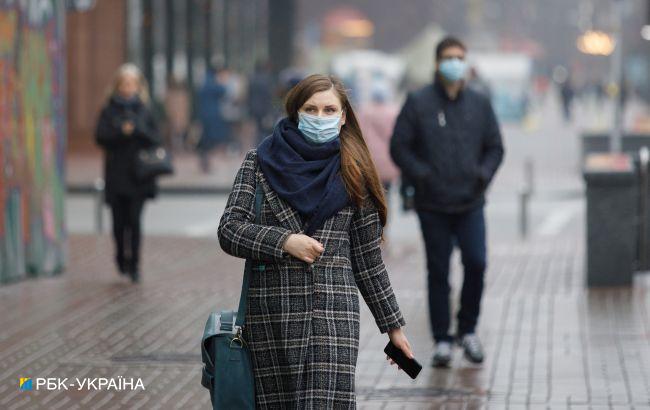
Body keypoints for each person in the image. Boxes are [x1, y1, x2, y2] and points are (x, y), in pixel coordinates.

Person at [218, 74, 413, 408]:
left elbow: (368, 261)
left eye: (328, 110)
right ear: (296, 112)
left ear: (343, 116)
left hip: (333, 317)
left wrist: (393, 328)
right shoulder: (259, 162)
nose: (320, 117)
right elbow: (230, 229)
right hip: (271, 316)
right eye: (311, 109)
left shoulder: (355, 171)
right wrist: (284, 241)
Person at [390, 37, 504, 367]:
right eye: (448, 57)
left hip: (470, 202)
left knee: (477, 262)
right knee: (438, 271)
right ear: (437, 63)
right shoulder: (418, 102)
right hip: (433, 204)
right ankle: (442, 338)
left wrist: (482, 174)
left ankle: (467, 330)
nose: (455, 63)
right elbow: (400, 146)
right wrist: (422, 174)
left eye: (460, 57)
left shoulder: (479, 104)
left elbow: (495, 147)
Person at [95, 63, 161, 283]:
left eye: (131, 83)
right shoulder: (109, 109)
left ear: (138, 86)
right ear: (117, 86)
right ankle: (120, 257)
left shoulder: (145, 109)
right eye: (124, 83)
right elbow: (100, 137)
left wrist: (137, 130)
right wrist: (120, 132)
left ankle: (135, 265)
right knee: (118, 223)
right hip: (116, 175)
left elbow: (156, 138)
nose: (127, 87)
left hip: (139, 176)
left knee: (134, 221)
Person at [197, 67, 230, 173]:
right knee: (211, 139)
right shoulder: (212, 82)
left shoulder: (203, 84)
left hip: (204, 115)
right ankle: (206, 162)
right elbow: (224, 90)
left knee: (205, 139)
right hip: (213, 116)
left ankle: (204, 161)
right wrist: (223, 80)